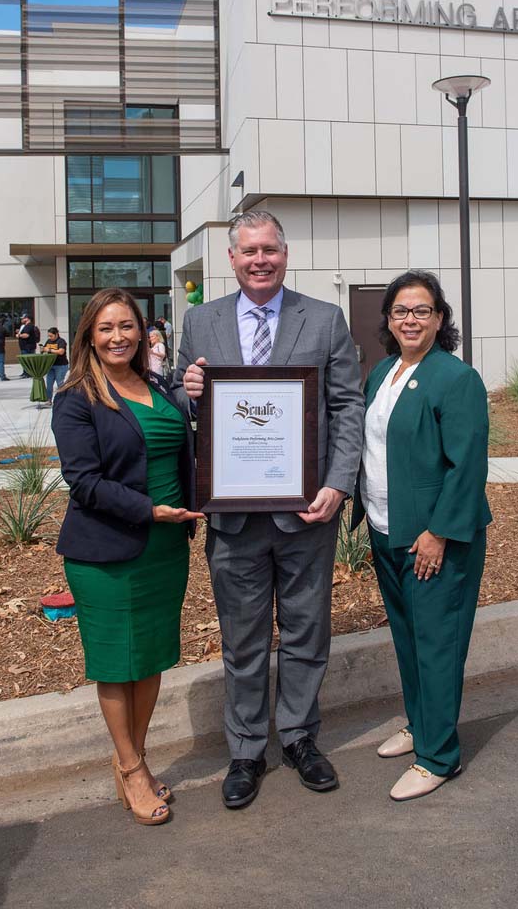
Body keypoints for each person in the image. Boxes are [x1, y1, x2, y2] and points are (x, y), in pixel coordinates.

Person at [177, 209, 364, 810]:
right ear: (230, 259)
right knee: (243, 638)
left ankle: (301, 738)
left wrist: (338, 484)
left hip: (307, 512)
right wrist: (189, 392)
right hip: (232, 519)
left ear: (286, 254)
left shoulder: (326, 319)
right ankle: (246, 749)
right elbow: (180, 404)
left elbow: (346, 408)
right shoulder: (200, 322)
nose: (260, 260)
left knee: (308, 631)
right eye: (249, 251)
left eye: (271, 250)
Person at [52, 288, 202, 826]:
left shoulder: (158, 386)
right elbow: (84, 482)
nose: (117, 337)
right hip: (107, 552)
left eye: (126, 326)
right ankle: (133, 767)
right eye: (105, 328)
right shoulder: (76, 397)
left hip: (164, 549)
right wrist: (152, 511)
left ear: (142, 331)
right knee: (118, 663)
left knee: (152, 658)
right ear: (89, 335)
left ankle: (130, 760)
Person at [352, 270, 491, 802]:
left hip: (435, 537)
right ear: (387, 319)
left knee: (437, 643)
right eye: (401, 311)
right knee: (408, 638)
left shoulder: (455, 379)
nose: (410, 319)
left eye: (422, 310)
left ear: (439, 319)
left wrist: (437, 533)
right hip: (388, 529)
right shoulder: (383, 372)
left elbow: (467, 466)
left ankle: (439, 756)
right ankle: (420, 724)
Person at [41, 327, 68, 401]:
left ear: (56, 334)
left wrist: (49, 350)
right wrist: (43, 349)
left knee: (60, 383)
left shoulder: (61, 341)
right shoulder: (48, 341)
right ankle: (49, 399)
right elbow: (44, 349)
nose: (50, 337)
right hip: (51, 365)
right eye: (49, 336)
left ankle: (63, 399)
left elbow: (61, 351)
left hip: (61, 365)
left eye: (51, 336)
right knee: (49, 384)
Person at [17, 314, 39, 378]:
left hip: (27, 347)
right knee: (27, 360)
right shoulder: (26, 326)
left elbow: (26, 335)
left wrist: (19, 335)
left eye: (23, 318)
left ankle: (27, 373)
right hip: (26, 347)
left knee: (27, 361)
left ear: (28, 319)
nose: (22, 319)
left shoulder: (29, 326)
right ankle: (26, 372)